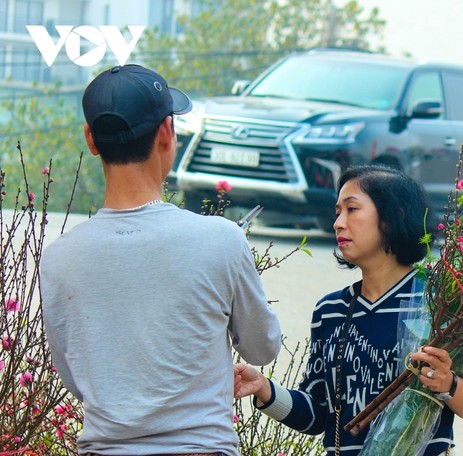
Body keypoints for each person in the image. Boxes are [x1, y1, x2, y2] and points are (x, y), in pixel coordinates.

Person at [41, 64, 282, 456]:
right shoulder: (220, 239)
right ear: (167, 133)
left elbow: (75, 377)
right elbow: (263, 348)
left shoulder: (58, 259)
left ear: (91, 139)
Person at [233, 165, 463, 455]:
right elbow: (317, 413)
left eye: (352, 209)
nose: (338, 223)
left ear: (392, 217)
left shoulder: (441, 302)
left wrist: (447, 383)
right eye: (338, 212)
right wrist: (263, 387)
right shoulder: (331, 310)